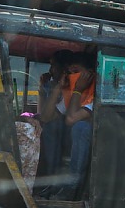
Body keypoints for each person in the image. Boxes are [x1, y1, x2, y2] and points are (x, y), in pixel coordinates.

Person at [40, 51, 96, 200]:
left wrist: (78, 89)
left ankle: (73, 186)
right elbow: (46, 117)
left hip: (98, 145)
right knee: (51, 126)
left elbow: (71, 119)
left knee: (80, 127)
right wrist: (59, 87)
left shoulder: (96, 93)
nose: (72, 77)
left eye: (76, 72)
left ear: (89, 74)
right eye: (70, 73)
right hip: (73, 144)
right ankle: (51, 181)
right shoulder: (73, 93)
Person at [35, 50, 74, 188]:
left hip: (64, 132)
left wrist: (56, 89)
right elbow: (40, 113)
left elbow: (46, 118)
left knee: (51, 126)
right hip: (53, 126)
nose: (50, 71)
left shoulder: (69, 90)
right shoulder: (52, 85)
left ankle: (50, 181)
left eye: (54, 66)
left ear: (64, 70)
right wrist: (42, 89)